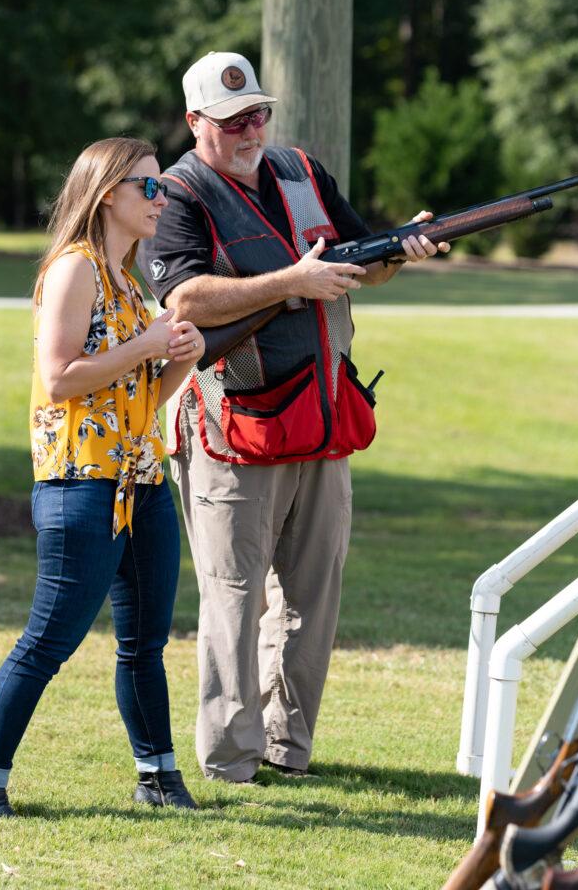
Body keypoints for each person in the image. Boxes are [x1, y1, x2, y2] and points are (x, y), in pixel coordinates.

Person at [137, 51, 450, 784]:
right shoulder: (177, 193)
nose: (252, 130)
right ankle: (230, 761)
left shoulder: (301, 172)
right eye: (233, 119)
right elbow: (183, 301)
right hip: (229, 424)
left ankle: (288, 749)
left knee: (313, 597)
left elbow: (357, 261)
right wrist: (291, 282)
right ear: (194, 123)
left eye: (259, 115)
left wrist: (400, 250)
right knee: (234, 598)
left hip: (320, 416)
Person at [0, 137, 205, 816]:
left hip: (141, 480)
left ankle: (157, 776)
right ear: (108, 195)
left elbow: (138, 399)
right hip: (80, 484)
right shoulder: (75, 270)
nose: (164, 199)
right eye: (149, 188)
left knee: (144, 643)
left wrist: (180, 357)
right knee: (49, 642)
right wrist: (147, 343)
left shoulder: (130, 280)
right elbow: (60, 378)